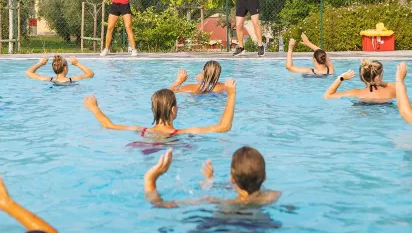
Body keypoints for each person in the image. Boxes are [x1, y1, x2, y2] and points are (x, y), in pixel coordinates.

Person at [83, 79, 237, 137]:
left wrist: (95, 108)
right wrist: (231, 95)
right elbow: (223, 127)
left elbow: (109, 125)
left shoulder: (141, 131)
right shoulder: (182, 133)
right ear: (173, 110)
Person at [144, 146, 280, 207]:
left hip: (223, 224)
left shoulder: (214, 201)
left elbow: (159, 204)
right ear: (265, 177)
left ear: (232, 179)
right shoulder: (273, 196)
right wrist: (210, 182)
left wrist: (150, 180)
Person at [323, 59, 396, 102]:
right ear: (379, 76)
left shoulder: (356, 93)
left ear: (361, 77)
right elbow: (400, 87)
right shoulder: (389, 92)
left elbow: (327, 96)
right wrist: (378, 81)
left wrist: (341, 78)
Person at [25, 55, 94, 83]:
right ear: (65, 68)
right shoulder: (73, 79)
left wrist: (41, 63)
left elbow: (28, 72)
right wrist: (77, 63)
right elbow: (90, 74)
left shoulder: (48, 80)